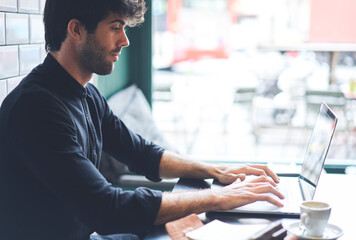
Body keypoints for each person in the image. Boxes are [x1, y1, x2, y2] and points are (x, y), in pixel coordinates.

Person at [0, 0, 284, 239]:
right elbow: (106, 208)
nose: (124, 40)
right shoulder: (37, 108)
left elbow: (142, 153)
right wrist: (218, 198)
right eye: (115, 28)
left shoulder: (86, 94)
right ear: (76, 30)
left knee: (185, 228)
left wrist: (218, 171)